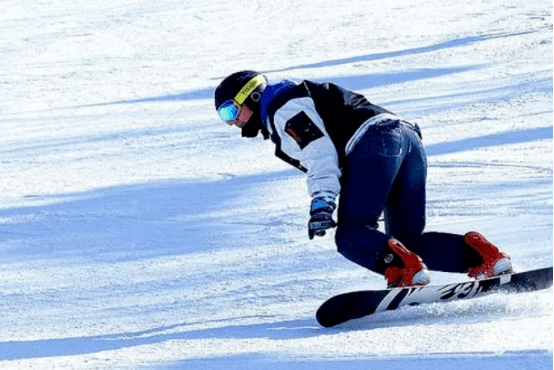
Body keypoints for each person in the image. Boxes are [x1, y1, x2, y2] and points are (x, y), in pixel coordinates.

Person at [214, 70, 514, 288]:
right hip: (407, 142)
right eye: (224, 117)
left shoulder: (283, 107)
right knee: (406, 240)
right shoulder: (290, 103)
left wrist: (322, 203)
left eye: (231, 110)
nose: (233, 122)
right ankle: (484, 256)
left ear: (251, 95)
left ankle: (404, 271)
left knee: (351, 235)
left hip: (375, 143)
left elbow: (319, 154)